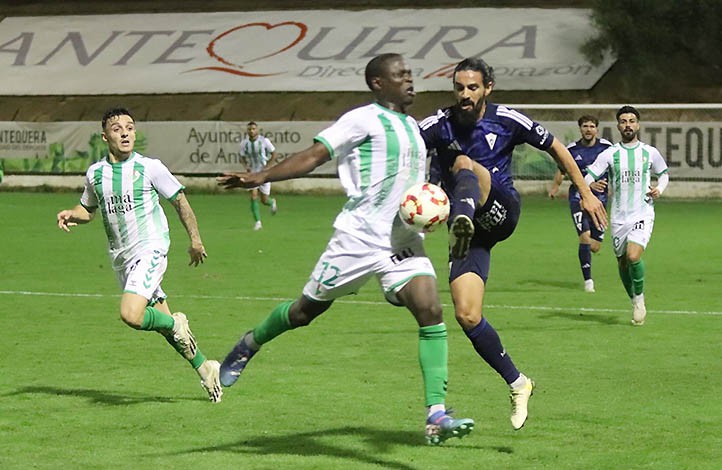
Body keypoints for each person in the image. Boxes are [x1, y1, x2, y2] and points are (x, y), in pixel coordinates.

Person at [217, 53, 474, 446]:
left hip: (402, 241)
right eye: (400, 75)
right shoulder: (361, 119)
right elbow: (315, 155)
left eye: (410, 74)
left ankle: (436, 414)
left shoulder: (411, 127)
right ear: (377, 83)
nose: (410, 80)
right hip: (357, 238)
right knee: (304, 312)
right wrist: (262, 176)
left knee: (431, 309)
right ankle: (250, 343)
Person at [419, 58, 607, 430]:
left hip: (500, 208)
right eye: (459, 88)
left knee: (464, 163)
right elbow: (404, 142)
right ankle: (518, 382)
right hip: (471, 231)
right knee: (467, 313)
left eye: (473, 87)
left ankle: (461, 218)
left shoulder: (507, 119)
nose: (465, 95)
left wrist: (584, 191)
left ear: (488, 87)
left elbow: (555, 146)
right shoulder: (438, 124)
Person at [56, 107, 222, 403]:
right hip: (121, 258)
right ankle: (205, 369)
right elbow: (89, 210)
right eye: (117, 128)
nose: (125, 133)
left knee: (131, 315)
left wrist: (195, 240)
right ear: (104, 135)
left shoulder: (150, 167)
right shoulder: (96, 173)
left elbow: (180, 201)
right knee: (163, 325)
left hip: (151, 248)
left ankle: (177, 324)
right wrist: (73, 213)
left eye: (130, 128)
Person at [584, 105, 669, 326]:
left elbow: (664, 174)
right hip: (619, 217)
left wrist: (659, 189)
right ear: (618, 126)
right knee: (622, 263)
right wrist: (591, 186)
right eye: (624, 121)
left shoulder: (649, 152)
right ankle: (633, 299)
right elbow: (586, 177)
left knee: (633, 256)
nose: (628, 125)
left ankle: (640, 301)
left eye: (632, 121)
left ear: (638, 125)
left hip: (643, 212)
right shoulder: (610, 154)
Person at [548, 115, 612, 293]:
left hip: (600, 200)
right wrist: (555, 187)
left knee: (595, 246)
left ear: (597, 129)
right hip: (578, 197)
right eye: (585, 126)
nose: (588, 129)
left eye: (592, 126)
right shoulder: (572, 149)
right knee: (584, 236)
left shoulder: (607, 148)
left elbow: (617, 167)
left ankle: (586, 251)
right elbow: (562, 170)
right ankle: (588, 281)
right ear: (580, 129)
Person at [239, 121, 278, 230]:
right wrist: (246, 166)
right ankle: (258, 222)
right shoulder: (244, 143)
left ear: (257, 130)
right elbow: (241, 156)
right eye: (249, 129)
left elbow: (274, 154)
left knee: (264, 200)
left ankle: (272, 202)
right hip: (253, 173)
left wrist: (267, 167)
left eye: (253, 129)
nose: (251, 131)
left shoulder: (264, 141)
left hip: (264, 173)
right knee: (253, 195)